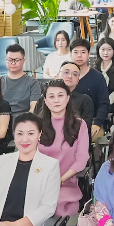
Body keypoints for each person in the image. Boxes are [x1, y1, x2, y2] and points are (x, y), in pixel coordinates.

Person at [36, 80, 90, 217]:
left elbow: (82, 158)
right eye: (51, 96)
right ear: (45, 100)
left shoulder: (79, 125)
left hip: (66, 185)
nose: (56, 100)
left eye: (60, 95)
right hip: (38, 184)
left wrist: (60, 180)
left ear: (68, 98)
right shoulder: (36, 125)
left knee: (57, 209)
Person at [70, 39, 111, 136]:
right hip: (68, 121)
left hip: (92, 121)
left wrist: (97, 123)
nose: (79, 55)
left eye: (83, 52)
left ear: (88, 55)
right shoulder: (65, 76)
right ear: (70, 55)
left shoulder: (97, 77)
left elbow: (104, 103)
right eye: (76, 52)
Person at [1, 44, 42, 119]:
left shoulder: (33, 82)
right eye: (10, 60)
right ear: (5, 60)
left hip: (24, 120)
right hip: (1, 119)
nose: (13, 63)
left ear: (24, 61)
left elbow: (34, 107)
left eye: (17, 60)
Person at [94, 38, 114, 118]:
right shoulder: (95, 67)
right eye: (103, 49)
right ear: (98, 51)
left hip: (113, 103)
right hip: (97, 103)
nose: (106, 53)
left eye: (109, 49)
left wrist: (106, 101)